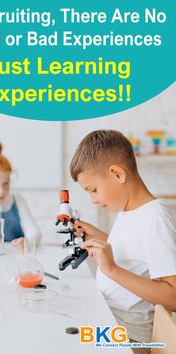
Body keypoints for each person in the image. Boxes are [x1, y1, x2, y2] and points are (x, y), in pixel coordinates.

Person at [70, 130, 176, 351]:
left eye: (94, 190)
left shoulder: (155, 219)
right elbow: (137, 256)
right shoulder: (130, 210)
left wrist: (112, 270)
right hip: (110, 319)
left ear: (117, 174)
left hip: (128, 336)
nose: (94, 200)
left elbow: (174, 297)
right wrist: (97, 236)